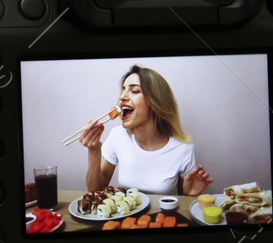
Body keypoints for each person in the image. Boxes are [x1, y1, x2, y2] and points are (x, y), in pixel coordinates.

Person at [79, 65, 214, 196]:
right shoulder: (117, 136)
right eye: (123, 90)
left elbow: (179, 199)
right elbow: (95, 191)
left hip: (163, 218)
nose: (122, 97)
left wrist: (188, 194)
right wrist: (94, 150)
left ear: (155, 102)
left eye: (135, 91)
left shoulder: (183, 147)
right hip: (126, 217)